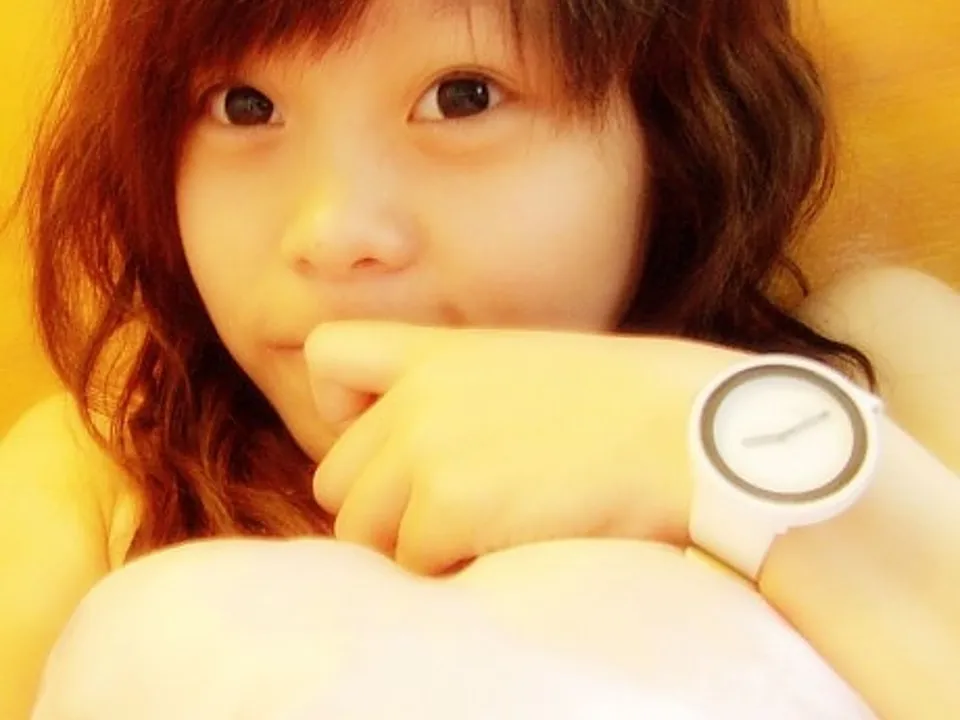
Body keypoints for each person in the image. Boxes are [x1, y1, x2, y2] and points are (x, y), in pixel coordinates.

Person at [2, 0, 959, 716]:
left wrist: (714, 447)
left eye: (464, 98)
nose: (333, 232)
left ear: (670, 128)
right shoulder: (105, 475)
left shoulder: (870, 375)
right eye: (244, 107)